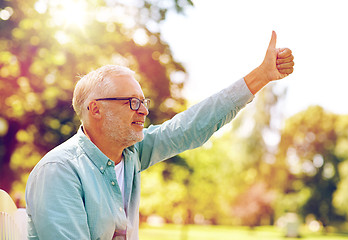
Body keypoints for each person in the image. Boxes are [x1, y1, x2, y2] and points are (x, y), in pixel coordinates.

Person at [25, 31, 294, 240]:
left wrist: (262, 76)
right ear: (95, 109)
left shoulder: (130, 154)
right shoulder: (59, 171)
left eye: (144, 102)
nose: (143, 111)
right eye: (131, 102)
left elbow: (190, 127)